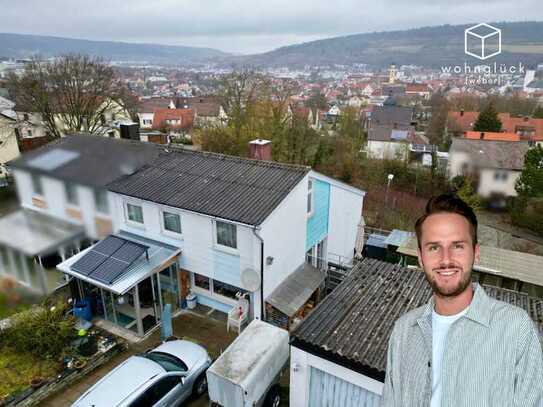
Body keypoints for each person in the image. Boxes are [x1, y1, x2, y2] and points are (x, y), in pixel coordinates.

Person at [381, 193, 543, 407]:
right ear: (420, 258)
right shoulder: (403, 331)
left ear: (476, 253)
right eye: (434, 247)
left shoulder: (516, 329)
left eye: (457, 246)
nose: (446, 259)